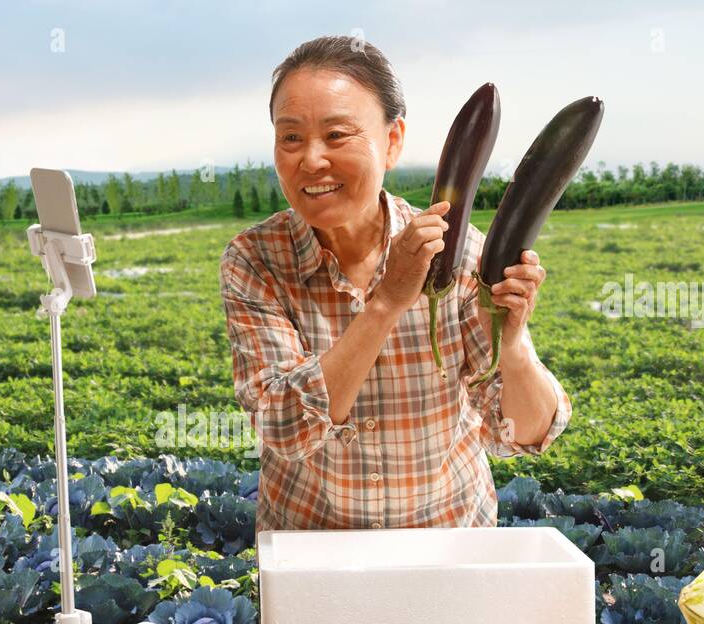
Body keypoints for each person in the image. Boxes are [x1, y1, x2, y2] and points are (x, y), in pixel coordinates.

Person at [220, 35, 572, 534]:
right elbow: (284, 428)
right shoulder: (255, 261)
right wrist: (387, 301)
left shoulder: (462, 253)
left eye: (337, 134)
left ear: (392, 141)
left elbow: (520, 433)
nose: (312, 160)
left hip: (449, 542)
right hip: (313, 551)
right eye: (291, 137)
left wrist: (512, 343)